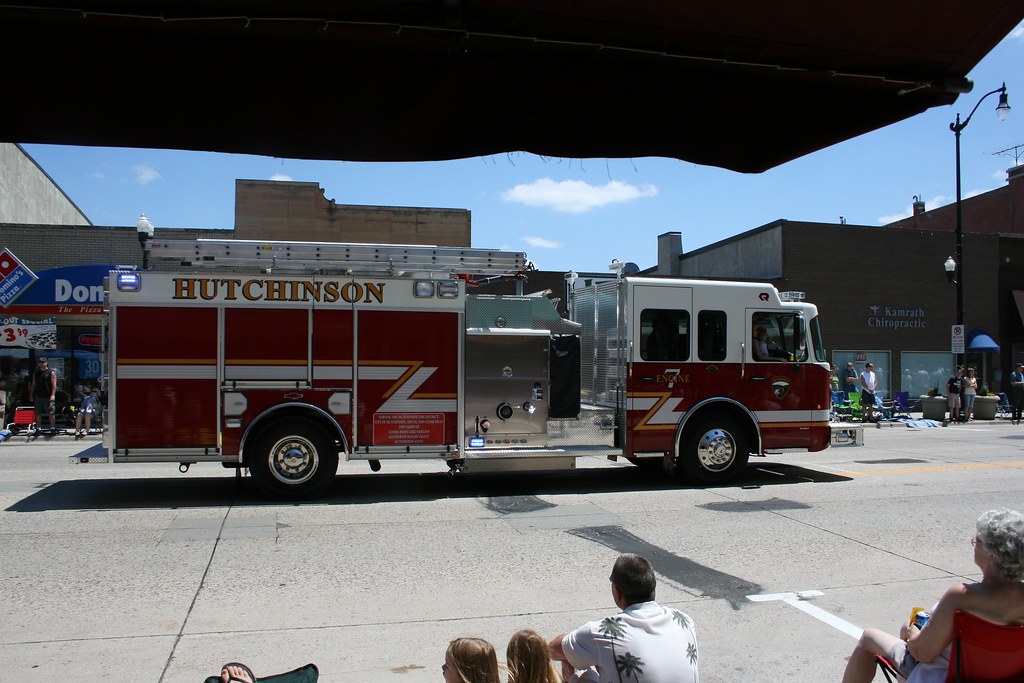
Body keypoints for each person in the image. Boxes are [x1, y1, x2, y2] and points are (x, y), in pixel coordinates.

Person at [840, 508, 1024, 683]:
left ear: (992, 555)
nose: (974, 545)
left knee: (869, 637)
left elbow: (923, 652)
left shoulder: (962, 596)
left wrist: (912, 633)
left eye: (977, 541)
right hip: (1005, 678)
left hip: (944, 677)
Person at [549, 554, 698, 683]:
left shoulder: (604, 633)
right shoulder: (684, 621)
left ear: (618, 591)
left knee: (585, 673)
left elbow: (553, 649)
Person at [28, 357, 57, 436]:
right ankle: (38, 428)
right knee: (38, 413)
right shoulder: (36, 373)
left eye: (43, 362)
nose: (41, 364)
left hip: (48, 396)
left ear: (46, 363)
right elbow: (33, 384)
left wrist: (53, 395)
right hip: (38, 395)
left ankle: (52, 428)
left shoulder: (51, 372)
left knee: (51, 413)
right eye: (40, 362)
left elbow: (54, 384)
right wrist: (31, 395)